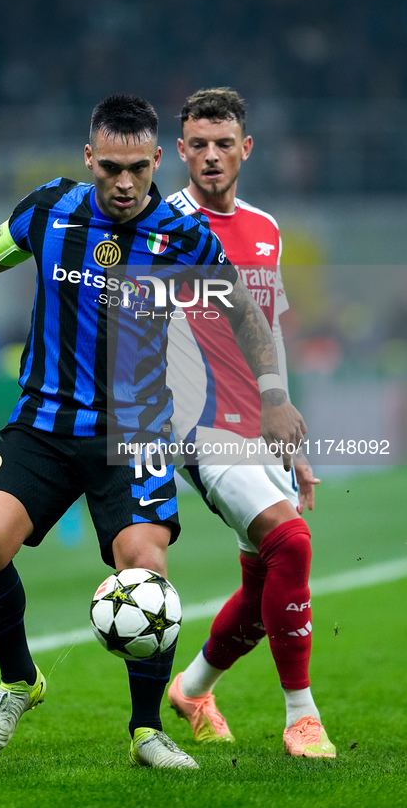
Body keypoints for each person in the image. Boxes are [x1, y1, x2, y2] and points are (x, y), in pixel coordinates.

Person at [0, 93, 306, 770]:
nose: (123, 183)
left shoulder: (180, 234)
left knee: (146, 572)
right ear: (86, 158)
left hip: (132, 434)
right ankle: (19, 679)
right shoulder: (51, 209)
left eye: (135, 167)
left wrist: (272, 398)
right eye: (108, 168)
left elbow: (243, 311)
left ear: (157, 160)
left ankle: (144, 729)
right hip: (42, 423)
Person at [165, 88, 335, 758]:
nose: (210, 156)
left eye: (222, 143)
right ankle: (301, 715)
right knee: (289, 542)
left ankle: (192, 687)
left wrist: (288, 429)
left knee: (265, 581)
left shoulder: (264, 227)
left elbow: (267, 331)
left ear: (245, 148)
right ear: (179, 151)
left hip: (257, 423)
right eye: (197, 144)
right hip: (196, 424)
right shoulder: (157, 219)